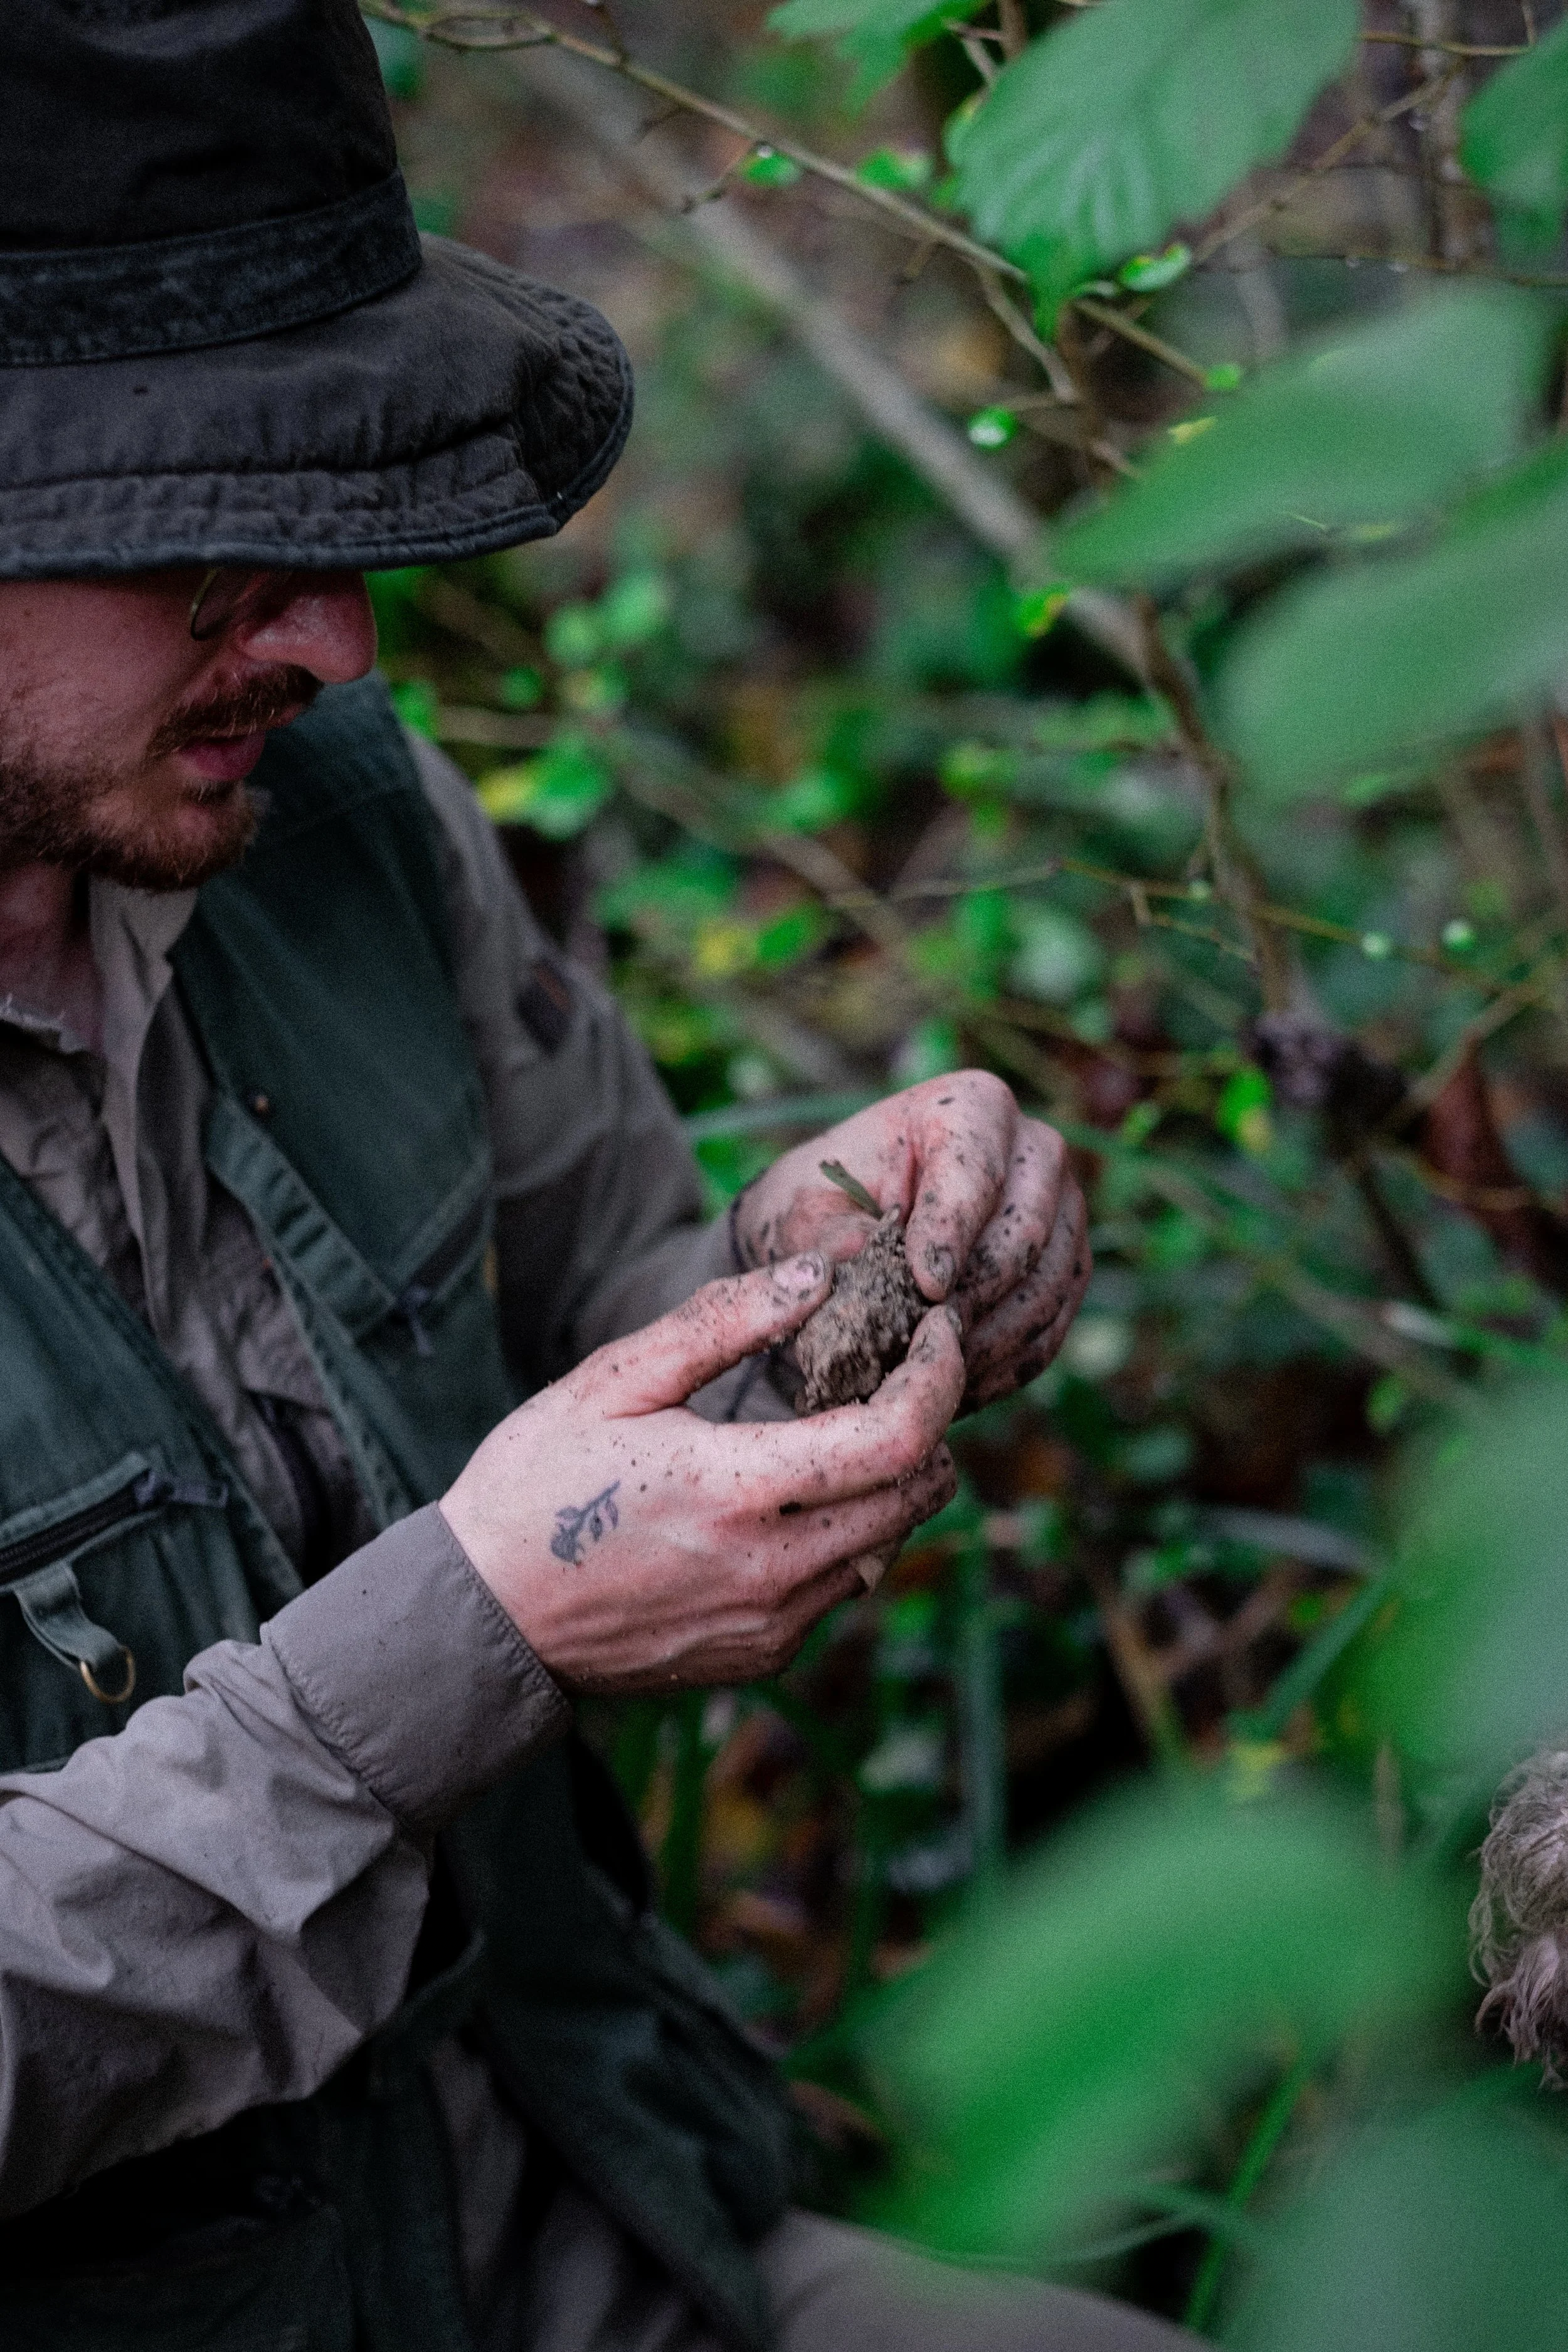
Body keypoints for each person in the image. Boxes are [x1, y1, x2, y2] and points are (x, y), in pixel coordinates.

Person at [0, 5, 1195, 2347]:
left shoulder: (314, 818)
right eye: (215, 537)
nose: (334, 640)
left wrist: (835, 1277)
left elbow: (604, 1289)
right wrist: (452, 1654)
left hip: (592, 2226)